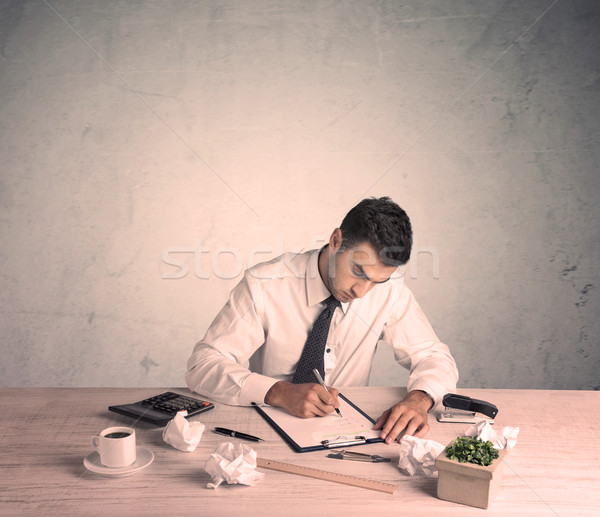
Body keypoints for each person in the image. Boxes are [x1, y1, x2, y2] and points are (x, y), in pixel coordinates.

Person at [186, 197, 458, 443]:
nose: (360, 292)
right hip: (267, 434)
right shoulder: (264, 285)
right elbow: (203, 365)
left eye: (377, 281)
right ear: (336, 240)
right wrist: (278, 392)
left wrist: (419, 400)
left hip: (350, 435)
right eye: (357, 271)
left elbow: (433, 357)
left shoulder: (392, 291)